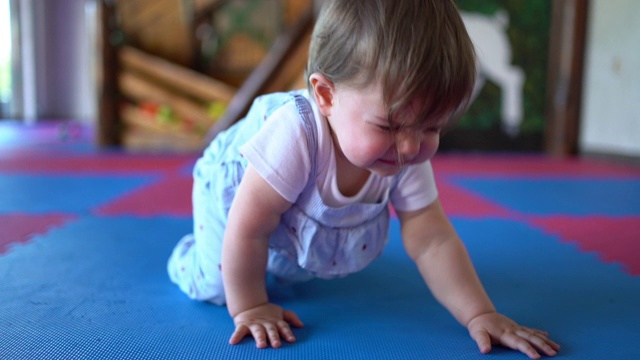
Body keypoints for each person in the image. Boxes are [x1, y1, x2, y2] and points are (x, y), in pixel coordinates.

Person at [167, 0, 560, 358]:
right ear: (325, 95)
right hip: (235, 192)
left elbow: (432, 238)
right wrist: (251, 306)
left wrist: (480, 313)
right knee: (222, 286)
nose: (409, 147)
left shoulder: (404, 147)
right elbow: (249, 225)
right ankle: (190, 256)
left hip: (286, 214)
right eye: (390, 125)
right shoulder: (296, 134)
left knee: (286, 265)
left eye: (432, 128)